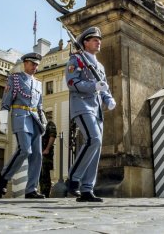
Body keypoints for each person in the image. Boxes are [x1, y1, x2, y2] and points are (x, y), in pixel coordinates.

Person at [65, 26, 116, 203]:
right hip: (81, 104)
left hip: (97, 108)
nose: (98, 41)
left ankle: (87, 189)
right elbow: (72, 82)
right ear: (85, 42)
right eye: (94, 39)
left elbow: (104, 87)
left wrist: (108, 98)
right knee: (93, 139)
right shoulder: (77, 59)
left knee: (97, 146)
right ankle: (74, 178)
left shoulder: (99, 66)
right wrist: (93, 87)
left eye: (99, 39)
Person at [0, 53, 47, 199]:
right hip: (20, 117)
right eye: (32, 64)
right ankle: (4, 177)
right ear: (25, 63)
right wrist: (3, 122)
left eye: (37, 65)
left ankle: (31, 189)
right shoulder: (15, 79)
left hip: (35, 120)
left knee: (37, 156)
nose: (35, 67)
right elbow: (6, 102)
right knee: (25, 150)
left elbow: (40, 105)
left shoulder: (38, 83)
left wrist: (43, 122)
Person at [40, 121, 57, 198]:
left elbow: (52, 136)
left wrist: (47, 149)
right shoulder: (38, 124)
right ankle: (42, 192)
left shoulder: (49, 124)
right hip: (39, 153)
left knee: (45, 174)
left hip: (45, 154)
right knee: (40, 174)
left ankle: (45, 194)